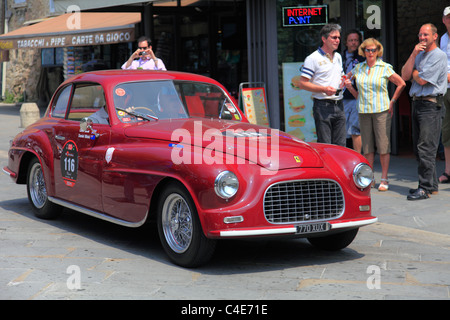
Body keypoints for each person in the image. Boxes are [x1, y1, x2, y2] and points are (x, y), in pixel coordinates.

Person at [345, 38, 406, 192]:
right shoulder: (358, 68)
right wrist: (348, 87)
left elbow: (401, 83)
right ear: (363, 51)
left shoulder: (385, 67)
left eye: (373, 50)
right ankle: (369, 177)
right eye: (367, 50)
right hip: (364, 110)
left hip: (381, 111)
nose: (371, 53)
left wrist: (392, 101)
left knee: (383, 145)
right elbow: (348, 83)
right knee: (367, 146)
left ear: (378, 51)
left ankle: (384, 178)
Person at [401, 23, 448, 200]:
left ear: (435, 36)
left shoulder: (439, 56)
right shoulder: (419, 55)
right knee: (418, 148)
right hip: (417, 103)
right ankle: (430, 185)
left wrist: (415, 73)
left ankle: (425, 188)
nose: (422, 38)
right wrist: (413, 55)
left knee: (426, 148)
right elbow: (405, 75)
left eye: (425, 35)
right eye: (420, 35)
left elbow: (421, 81)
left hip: (430, 105)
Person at [296, 24, 346, 146]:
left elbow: (341, 77)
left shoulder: (338, 56)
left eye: (338, 37)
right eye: (334, 37)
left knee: (341, 146)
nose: (337, 40)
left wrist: (345, 81)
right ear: (324, 39)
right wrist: (324, 89)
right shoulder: (312, 58)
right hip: (322, 105)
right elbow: (302, 84)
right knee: (326, 146)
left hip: (339, 104)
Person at [342, 30, 365, 153]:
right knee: (343, 128)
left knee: (355, 129)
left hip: (357, 96)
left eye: (356, 40)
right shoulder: (340, 57)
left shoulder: (363, 57)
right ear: (346, 42)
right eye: (351, 40)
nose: (353, 43)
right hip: (342, 97)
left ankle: (358, 156)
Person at [438, 7, 450, 184]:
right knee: (446, 131)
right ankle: (448, 171)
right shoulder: (443, 38)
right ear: (443, 20)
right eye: (448, 17)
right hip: (445, 88)